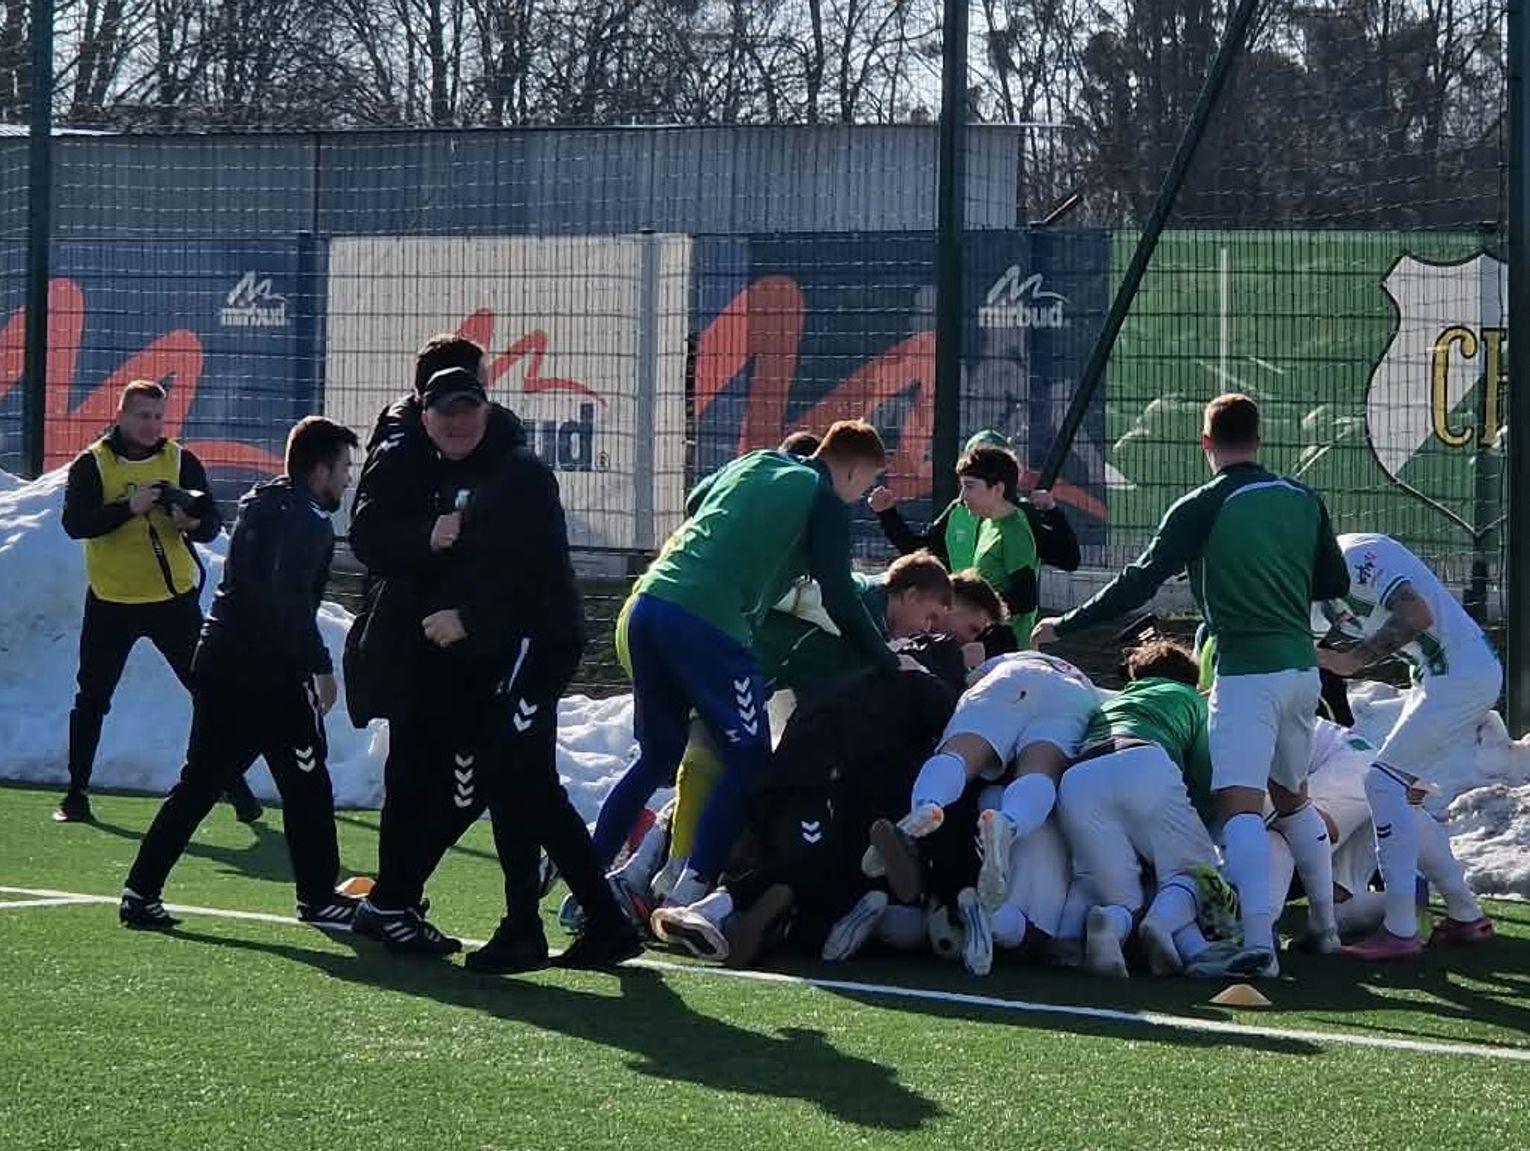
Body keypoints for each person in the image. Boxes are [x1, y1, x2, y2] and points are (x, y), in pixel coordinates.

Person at [1033, 393, 1350, 978]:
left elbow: (1140, 581)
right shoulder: (1302, 497)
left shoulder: (1203, 504)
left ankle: (1258, 947)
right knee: (1292, 797)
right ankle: (1325, 928)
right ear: (1259, 438)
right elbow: (1334, 578)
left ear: (1204, 443)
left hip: (1245, 672)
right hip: (1304, 670)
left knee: (1240, 810)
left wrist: (1067, 625)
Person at [347, 337, 637, 969]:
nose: (458, 422)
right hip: (486, 654)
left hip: (530, 648)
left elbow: (524, 575)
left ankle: (520, 925)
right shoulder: (432, 460)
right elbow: (383, 537)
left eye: (468, 408)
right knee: (520, 784)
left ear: (486, 405)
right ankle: (587, 924)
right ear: (425, 413)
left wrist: (467, 619)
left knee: (512, 780)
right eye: (446, 411)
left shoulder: (516, 473)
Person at [589, 421, 897, 911]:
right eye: (863, 487)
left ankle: (590, 875)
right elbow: (839, 596)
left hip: (650, 604)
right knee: (750, 758)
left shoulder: (754, 461)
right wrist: (886, 659)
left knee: (660, 753)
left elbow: (698, 501)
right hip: (712, 625)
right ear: (856, 470)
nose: (859, 497)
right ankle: (692, 888)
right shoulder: (826, 499)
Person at [119, 418, 359, 929]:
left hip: (221, 662)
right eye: (342, 469)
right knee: (307, 784)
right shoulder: (309, 521)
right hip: (265, 674)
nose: (346, 480)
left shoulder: (264, 499)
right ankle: (318, 898)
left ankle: (140, 891)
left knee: (203, 782)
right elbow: (286, 602)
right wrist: (319, 667)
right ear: (319, 471)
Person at [57, 380, 261, 825]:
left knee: (208, 693)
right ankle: (75, 792)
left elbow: (211, 524)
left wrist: (188, 521)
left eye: (157, 416)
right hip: (111, 600)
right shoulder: (92, 464)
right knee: (92, 696)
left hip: (172, 601)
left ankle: (232, 784)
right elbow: (75, 524)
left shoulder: (181, 460)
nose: (151, 425)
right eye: (142, 415)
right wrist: (129, 507)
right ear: (120, 416)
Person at [1314, 532, 1501, 959]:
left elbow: (1416, 613)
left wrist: (1354, 659)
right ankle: (1466, 914)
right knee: (1403, 798)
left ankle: (1400, 930)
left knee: (1382, 783)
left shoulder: (1357, 556)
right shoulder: (1314, 583)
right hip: (1440, 675)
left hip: (1459, 674)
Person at [1051, 639, 1224, 979]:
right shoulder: (1193, 700)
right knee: (1196, 872)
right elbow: (1204, 775)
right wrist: (1197, 830)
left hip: (1077, 778)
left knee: (1122, 896)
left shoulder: (1117, 701)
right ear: (1191, 680)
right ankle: (1160, 924)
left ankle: (1108, 924)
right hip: (1143, 760)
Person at [869, 430, 1080, 578]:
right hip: (961, 628)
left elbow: (1069, 560)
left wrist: (1053, 513)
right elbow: (918, 550)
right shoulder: (957, 511)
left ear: (998, 485)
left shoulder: (1022, 517)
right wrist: (887, 513)